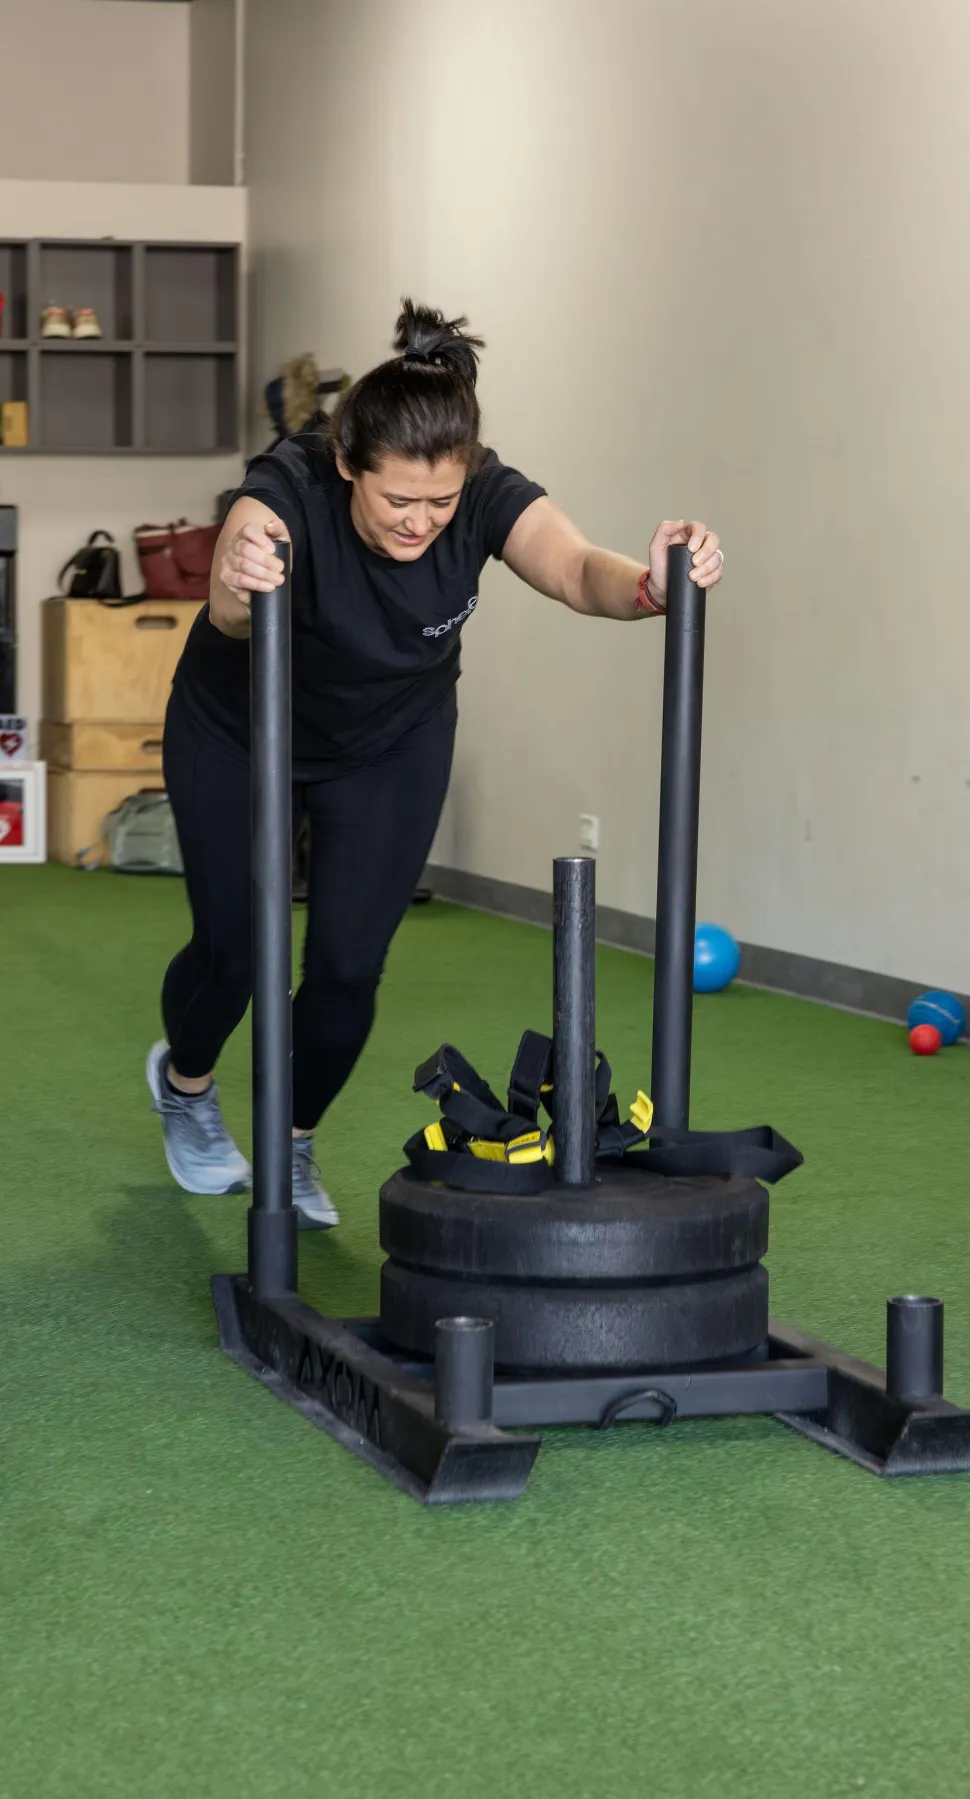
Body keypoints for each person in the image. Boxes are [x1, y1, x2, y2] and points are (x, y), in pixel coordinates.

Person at [147, 300, 724, 1228]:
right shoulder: (288, 483)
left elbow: (577, 569)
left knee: (346, 966)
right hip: (240, 732)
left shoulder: (484, 493)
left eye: (440, 502)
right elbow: (224, 604)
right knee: (235, 953)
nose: (421, 522)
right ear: (348, 462)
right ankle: (185, 1083)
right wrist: (242, 577)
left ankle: (293, 1142)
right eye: (397, 501)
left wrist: (651, 583)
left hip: (389, 740)